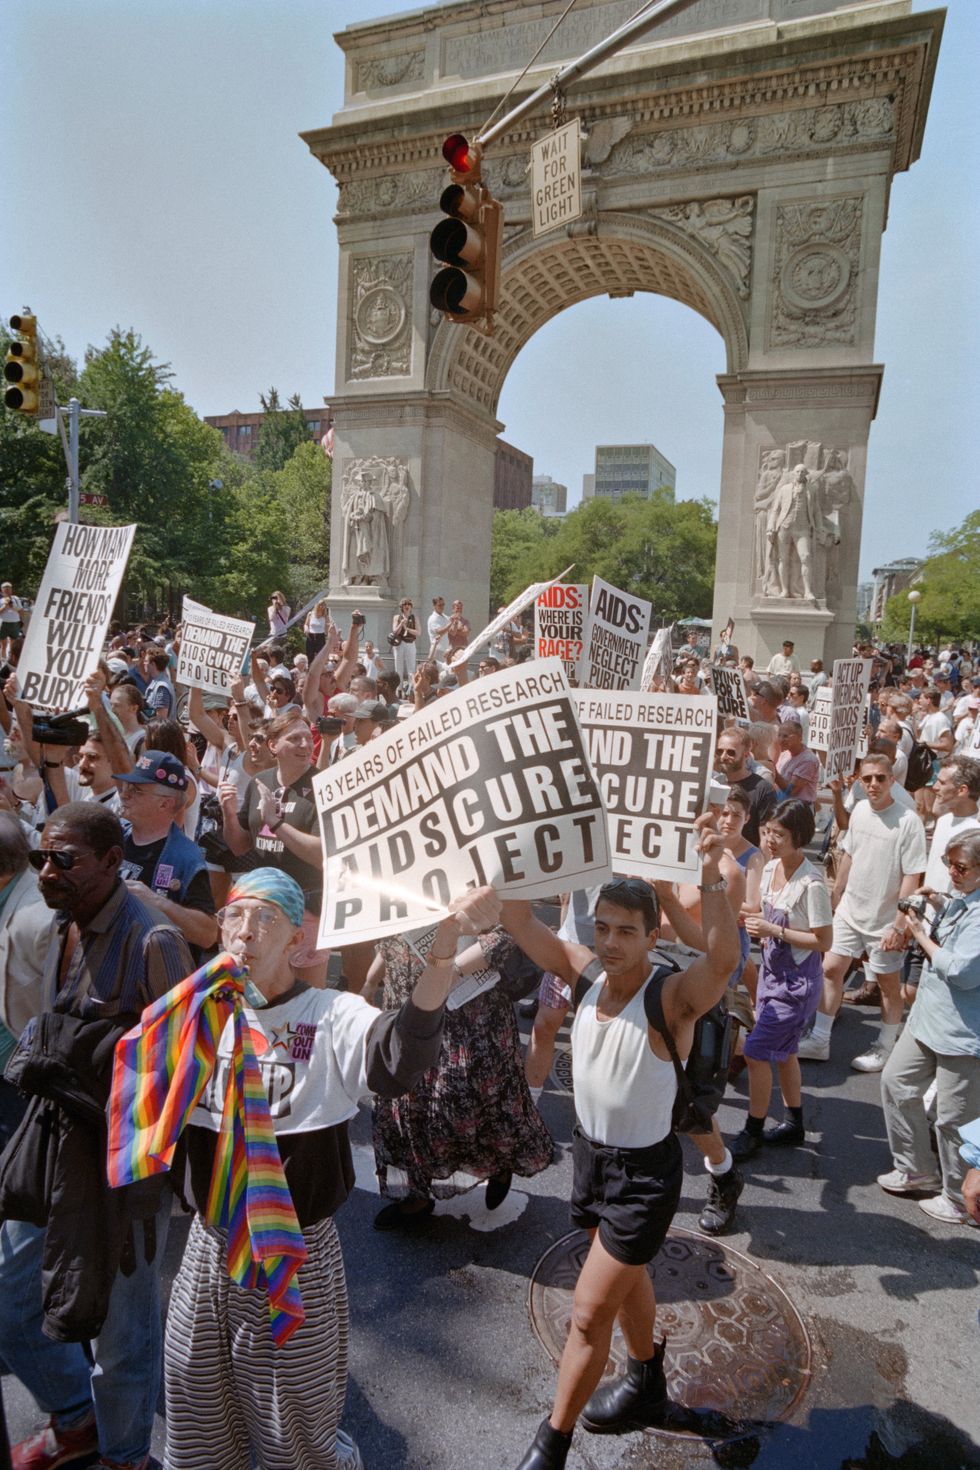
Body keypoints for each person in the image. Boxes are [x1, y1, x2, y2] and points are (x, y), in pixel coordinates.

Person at [159, 870, 500, 1470]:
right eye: (236, 915)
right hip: (208, 1247)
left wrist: (443, 952)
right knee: (197, 1408)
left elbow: (399, 1057)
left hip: (296, 1254)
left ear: (299, 939)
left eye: (268, 918)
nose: (246, 931)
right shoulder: (196, 1008)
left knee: (292, 1424)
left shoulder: (331, 1014)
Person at [500, 820, 740, 1470]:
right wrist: (509, 839)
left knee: (585, 1314)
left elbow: (721, 961)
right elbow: (521, 924)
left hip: (643, 1179)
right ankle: (645, 1382)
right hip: (591, 1162)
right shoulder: (584, 975)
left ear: (652, 936)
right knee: (627, 1281)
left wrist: (712, 876)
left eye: (626, 930)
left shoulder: (671, 998)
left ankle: (551, 1443)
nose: (609, 942)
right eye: (602, 926)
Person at [0, 803, 191, 1470]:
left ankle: (125, 1456)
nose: (47, 872)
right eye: (40, 859)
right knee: (11, 1296)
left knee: (121, 1337)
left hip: (122, 1168)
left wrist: (141, 1177)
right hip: (54, 1143)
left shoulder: (154, 942)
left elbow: (180, 1075)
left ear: (113, 862)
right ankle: (74, 1421)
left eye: (65, 860)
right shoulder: (58, 923)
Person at [370, 928, 553, 1228]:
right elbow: (390, 927)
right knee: (405, 1096)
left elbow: (506, 933)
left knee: (467, 1101)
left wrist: (447, 972)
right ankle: (414, 1194)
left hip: (471, 1008)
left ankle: (500, 1161)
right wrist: (370, 979)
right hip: (408, 998)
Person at [877, 831, 980, 1227]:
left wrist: (918, 933)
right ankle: (916, 1167)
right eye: (949, 864)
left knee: (954, 1118)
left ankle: (957, 1198)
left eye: (962, 867)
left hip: (962, 1032)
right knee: (896, 1081)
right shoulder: (962, 898)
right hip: (929, 1020)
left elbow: (962, 971)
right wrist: (937, 903)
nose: (952, 872)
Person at [799, 752, 926, 1071]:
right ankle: (819, 1039)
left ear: (891, 780)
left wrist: (899, 924)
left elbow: (912, 875)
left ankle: (884, 1047)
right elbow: (849, 857)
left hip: (884, 921)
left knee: (887, 985)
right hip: (850, 912)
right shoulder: (859, 813)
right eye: (866, 778)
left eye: (880, 778)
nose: (873, 784)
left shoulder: (909, 821)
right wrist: (836, 898)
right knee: (830, 969)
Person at [733, 802, 833, 1159]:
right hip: (771, 977)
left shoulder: (812, 884)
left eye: (780, 834)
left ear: (800, 837)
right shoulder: (773, 867)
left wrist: (775, 929)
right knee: (786, 1053)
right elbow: (758, 911)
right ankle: (794, 1123)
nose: (770, 840)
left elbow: (824, 942)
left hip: (796, 984)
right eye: (767, 831)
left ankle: (753, 1131)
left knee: (757, 1053)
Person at [219, 706, 329, 985]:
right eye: (294, 739)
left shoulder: (322, 786)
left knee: (306, 995)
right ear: (273, 745)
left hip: (307, 906)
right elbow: (240, 846)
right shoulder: (260, 782)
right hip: (264, 908)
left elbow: (321, 855)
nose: (305, 745)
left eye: (307, 737)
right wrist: (229, 813)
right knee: (259, 987)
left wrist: (277, 824)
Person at [113, 750, 218, 953]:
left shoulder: (186, 858)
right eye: (126, 787)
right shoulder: (113, 837)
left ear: (165, 803)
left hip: (156, 976)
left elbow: (208, 935)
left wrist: (155, 902)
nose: (124, 794)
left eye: (136, 790)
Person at [714, 727, 777, 846]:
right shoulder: (713, 784)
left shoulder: (763, 789)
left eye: (731, 752)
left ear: (746, 754)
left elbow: (766, 836)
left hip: (747, 861)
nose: (723, 757)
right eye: (719, 751)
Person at [772, 721, 821, 806]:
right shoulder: (784, 753)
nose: (780, 740)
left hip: (798, 809)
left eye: (785, 736)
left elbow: (790, 791)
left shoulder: (808, 760)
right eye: (779, 735)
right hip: (782, 805)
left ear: (799, 737)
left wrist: (771, 768)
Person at [389, 598, 419, 685]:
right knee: (398, 667)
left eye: (409, 604)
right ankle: (399, 688)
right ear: (401, 607)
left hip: (410, 643)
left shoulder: (414, 618)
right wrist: (401, 624)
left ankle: (410, 689)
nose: (407, 606)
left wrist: (408, 629)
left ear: (411, 607)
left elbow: (418, 632)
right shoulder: (397, 617)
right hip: (400, 643)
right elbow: (395, 631)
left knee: (411, 668)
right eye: (405, 605)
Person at [0, 581, 29, 661]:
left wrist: (14, 606)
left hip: (15, 624)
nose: (7, 590)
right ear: (2, 590)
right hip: (3, 624)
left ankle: (10, 661)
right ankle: (2, 663)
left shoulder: (16, 599)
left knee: (13, 645)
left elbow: (22, 613)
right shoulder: (1, 600)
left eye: (9, 588)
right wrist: (5, 606)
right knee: (3, 645)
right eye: (5, 589)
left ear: (11, 590)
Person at [143, 652, 176, 719]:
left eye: (146, 661)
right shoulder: (156, 682)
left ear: (153, 664)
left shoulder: (161, 687)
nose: (144, 663)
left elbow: (161, 718)